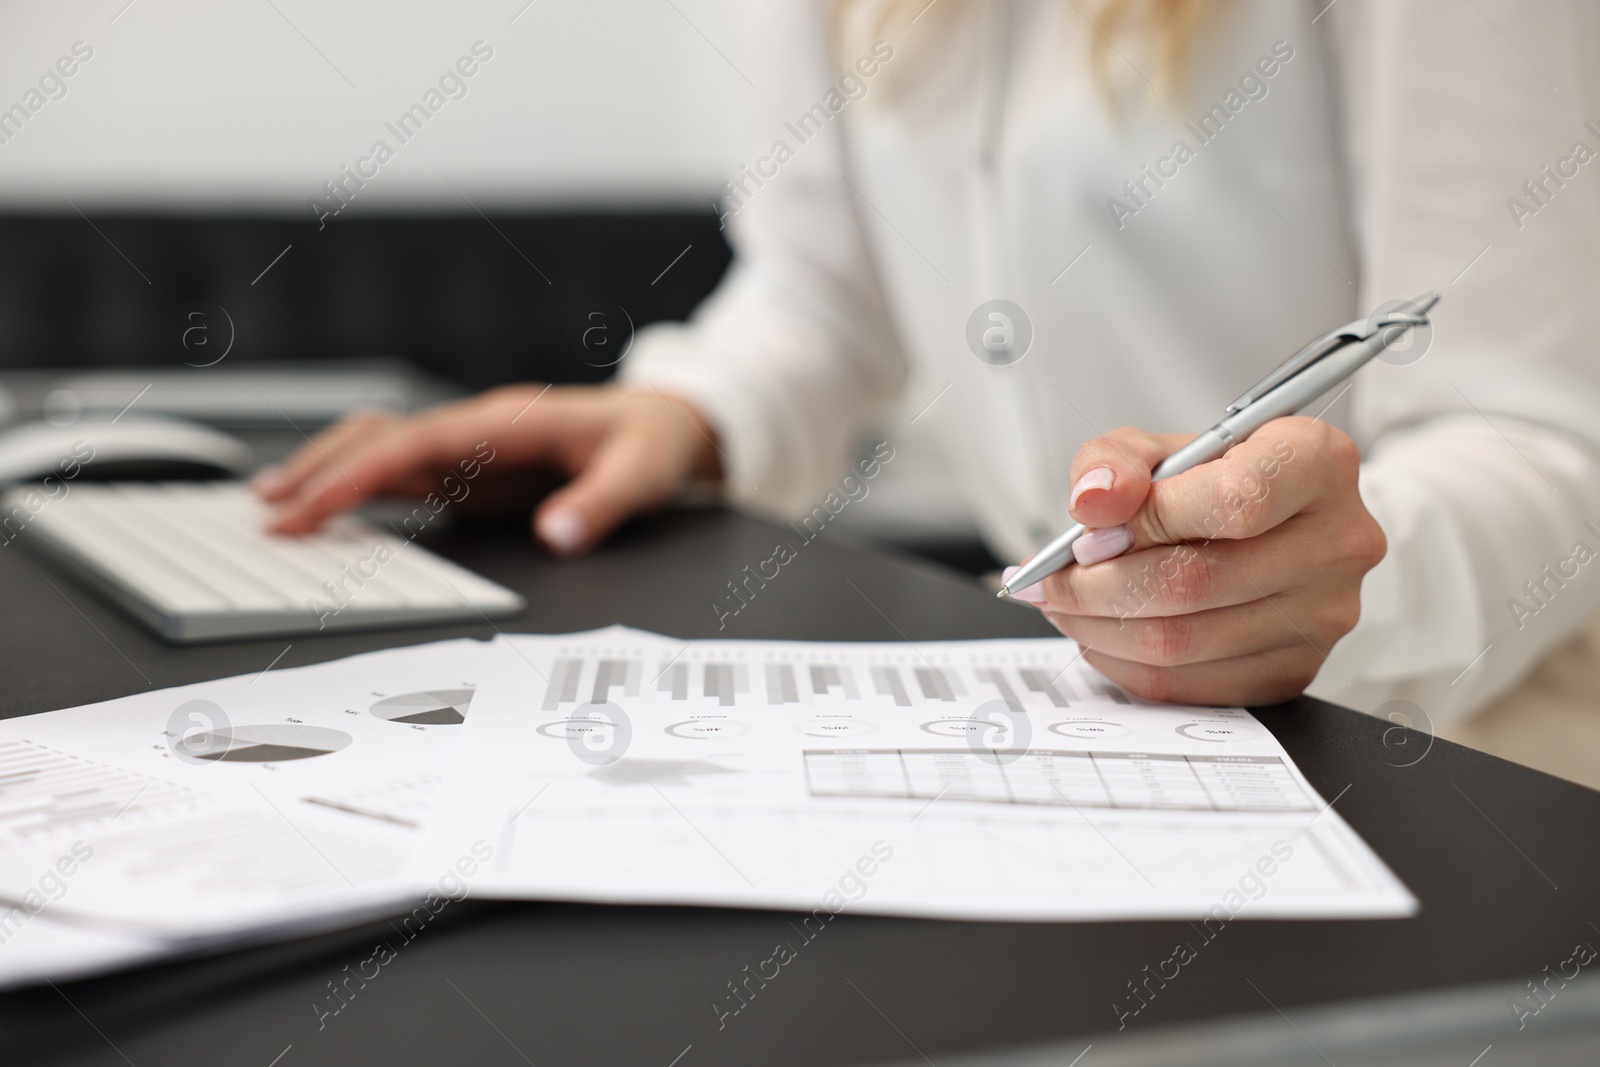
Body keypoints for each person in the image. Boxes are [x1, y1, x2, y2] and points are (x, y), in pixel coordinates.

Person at [256, 0, 1600, 723]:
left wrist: (1342, 586)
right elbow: (821, 292)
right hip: (1103, 708)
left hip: (1469, 739)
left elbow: (1541, 433)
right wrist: (682, 410)